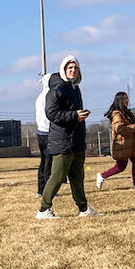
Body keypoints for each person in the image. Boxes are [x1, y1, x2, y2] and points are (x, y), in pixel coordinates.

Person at [37, 55, 99, 219]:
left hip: (76, 141)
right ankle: (44, 210)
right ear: (64, 70)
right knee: (57, 177)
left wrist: (80, 117)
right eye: (69, 68)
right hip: (62, 141)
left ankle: (83, 208)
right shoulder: (57, 89)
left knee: (77, 177)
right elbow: (51, 113)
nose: (73, 70)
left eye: (75, 68)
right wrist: (74, 116)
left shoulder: (75, 88)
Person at [96, 92, 135, 190]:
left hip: (132, 143)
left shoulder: (127, 113)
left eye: (127, 98)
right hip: (123, 144)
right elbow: (120, 129)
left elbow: (131, 127)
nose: (127, 101)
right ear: (120, 101)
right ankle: (102, 176)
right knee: (120, 167)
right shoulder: (116, 114)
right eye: (125, 99)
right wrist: (134, 126)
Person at [34, 74, 52, 198]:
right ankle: (46, 189)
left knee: (43, 161)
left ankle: (40, 189)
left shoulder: (40, 96)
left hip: (40, 132)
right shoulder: (49, 96)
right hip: (48, 132)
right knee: (48, 163)